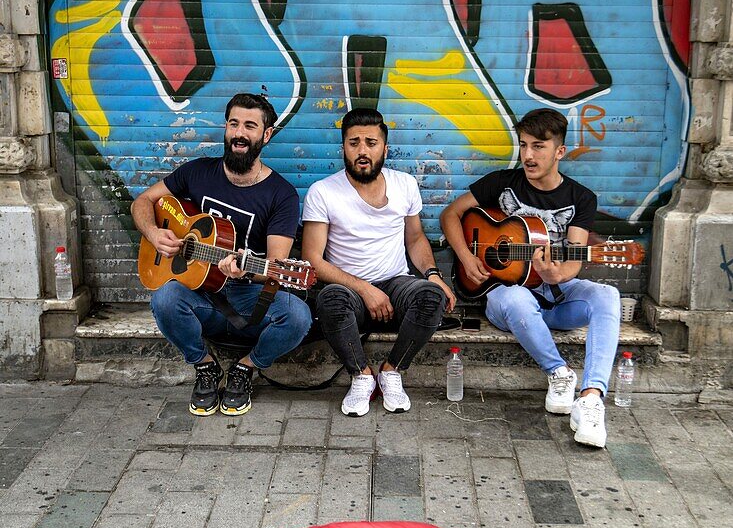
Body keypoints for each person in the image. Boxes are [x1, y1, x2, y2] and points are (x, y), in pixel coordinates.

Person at [440, 107, 620, 448]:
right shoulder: (502, 183)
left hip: (556, 297)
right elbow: (452, 213)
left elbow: (575, 257)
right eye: (523, 145)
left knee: (607, 296)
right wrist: (467, 256)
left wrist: (555, 272)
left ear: (559, 152)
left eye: (538, 146)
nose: (528, 155)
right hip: (507, 299)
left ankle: (592, 397)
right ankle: (559, 373)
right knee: (514, 296)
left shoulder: (581, 198)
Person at [131, 93, 312, 416]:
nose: (240, 133)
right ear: (225, 128)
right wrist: (154, 233)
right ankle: (204, 365)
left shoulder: (281, 194)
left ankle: (246, 367)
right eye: (234, 123)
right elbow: (142, 202)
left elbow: (275, 265)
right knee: (164, 299)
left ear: (266, 135)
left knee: (298, 317)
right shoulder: (198, 173)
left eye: (250, 126)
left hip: (247, 297)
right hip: (201, 295)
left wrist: (244, 270)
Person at [302, 107, 456, 416]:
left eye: (371, 143)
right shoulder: (323, 192)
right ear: (343, 147)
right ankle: (361, 375)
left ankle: (391, 371)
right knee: (330, 299)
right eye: (354, 142)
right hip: (349, 294)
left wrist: (433, 274)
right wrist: (364, 289)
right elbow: (312, 260)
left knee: (431, 295)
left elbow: (414, 239)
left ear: (385, 148)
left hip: (396, 286)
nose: (362, 151)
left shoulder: (405, 185)